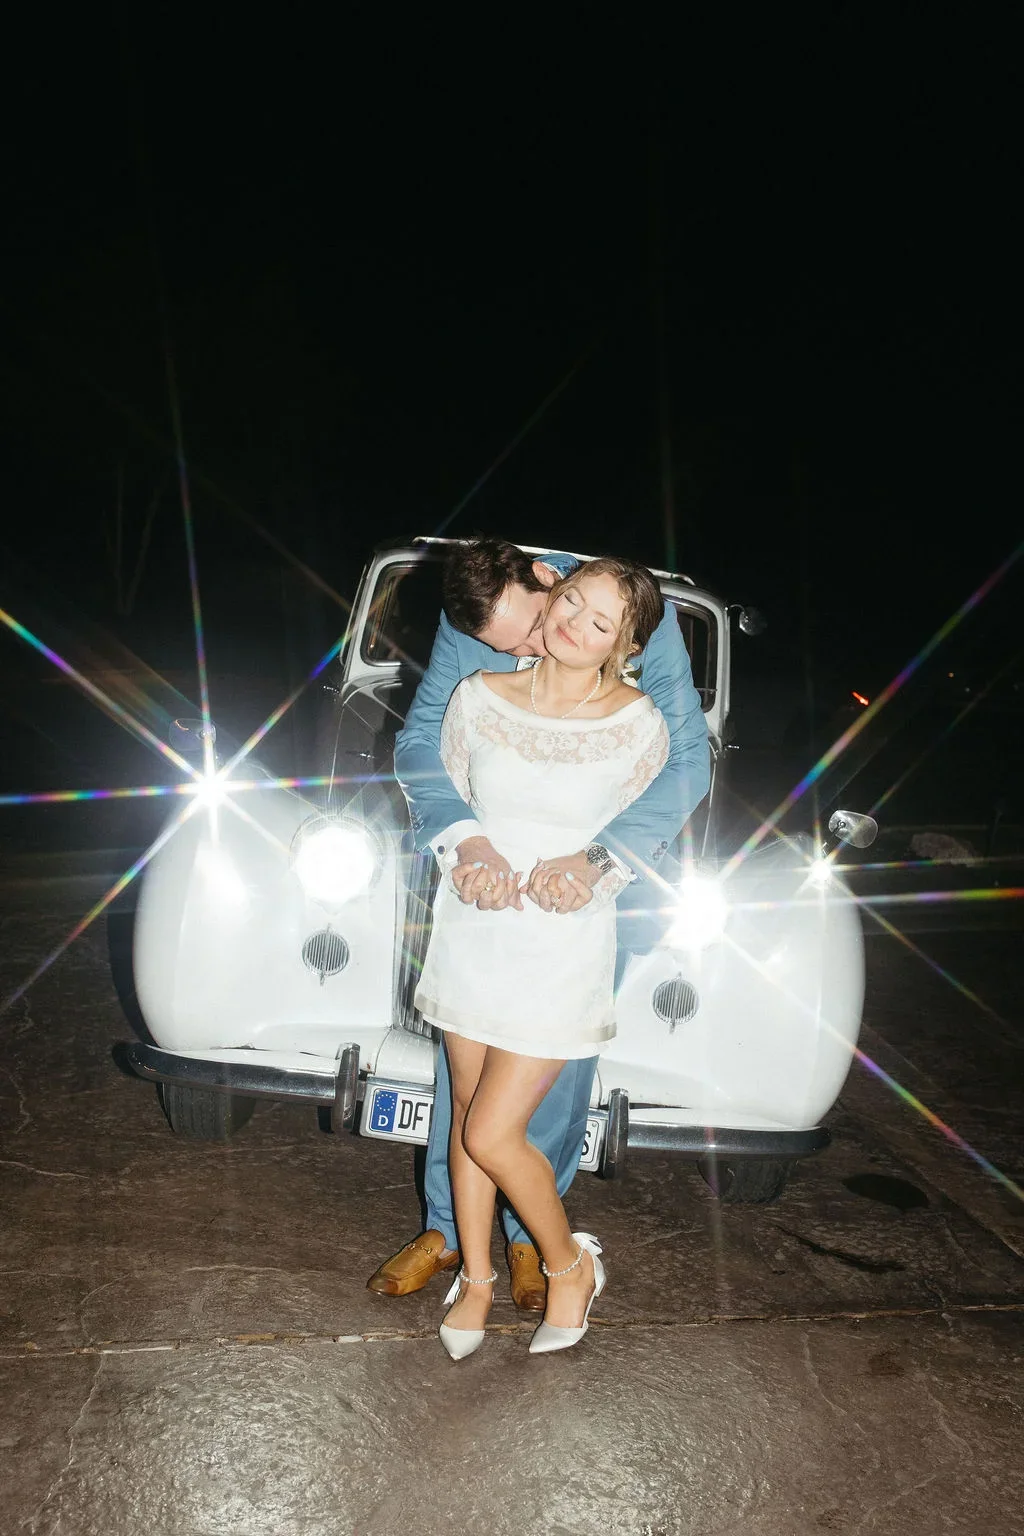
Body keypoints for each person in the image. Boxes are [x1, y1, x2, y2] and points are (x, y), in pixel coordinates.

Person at [367, 538, 710, 1310]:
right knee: (467, 1081)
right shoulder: (484, 615)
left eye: (536, 627)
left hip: (590, 872)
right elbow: (426, 738)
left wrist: (598, 861)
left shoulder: (632, 624)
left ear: (550, 583)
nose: (534, 650)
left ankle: (532, 1242)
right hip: (487, 878)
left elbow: (687, 762)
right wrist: (463, 836)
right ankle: (450, 1233)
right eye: (509, 646)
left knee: (553, 1070)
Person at [419, 557, 669, 1356]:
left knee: (495, 1132)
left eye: (601, 622)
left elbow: (637, 842)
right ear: (551, 593)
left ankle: (569, 1267)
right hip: (472, 936)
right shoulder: (476, 698)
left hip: (558, 952)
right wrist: (468, 858)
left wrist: (594, 869)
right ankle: (480, 1285)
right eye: (572, 602)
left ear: (622, 645)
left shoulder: (638, 725)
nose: (575, 623)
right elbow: (450, 800)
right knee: (464, 1117)